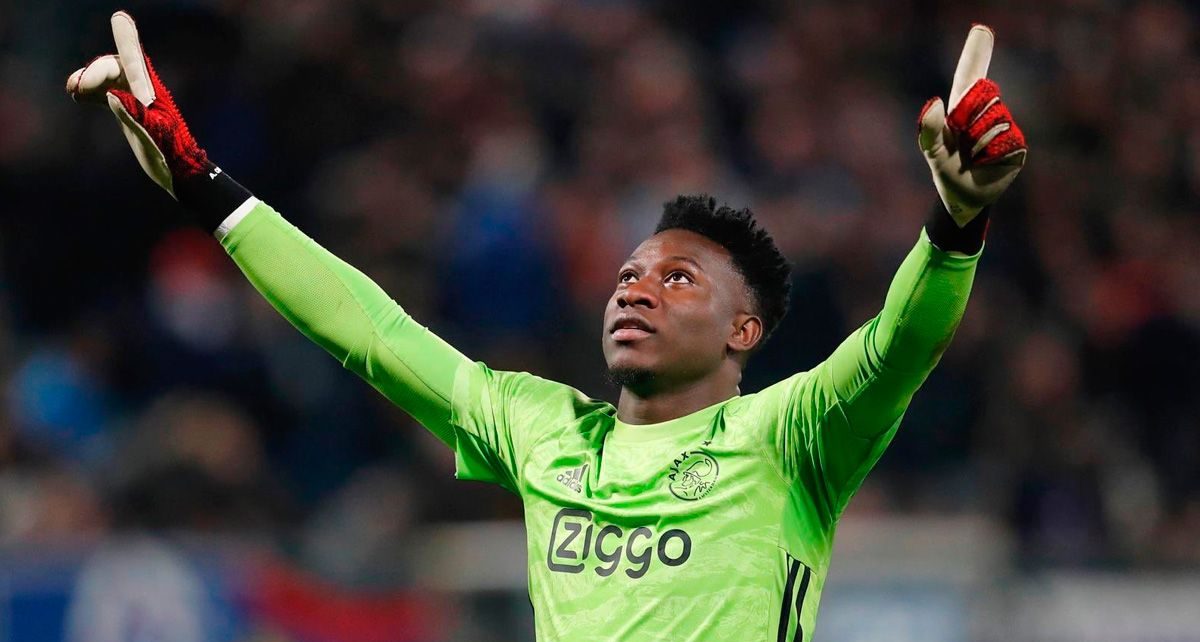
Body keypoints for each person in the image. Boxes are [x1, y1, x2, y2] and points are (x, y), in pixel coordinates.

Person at [68, 12, 1026, 641]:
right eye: (629, 275)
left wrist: (957, 222)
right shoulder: (542, 430)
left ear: (744, 330)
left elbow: (901, 344)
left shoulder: (790, 437)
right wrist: (200, 180)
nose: (635, 291)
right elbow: (369, 332)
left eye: (677, 278)